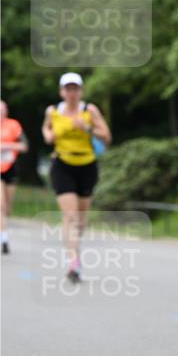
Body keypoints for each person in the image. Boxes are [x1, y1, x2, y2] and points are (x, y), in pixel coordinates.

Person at [41, 73, 111, 282]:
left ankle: (74, 248)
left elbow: (107, 136)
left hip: (87, 165)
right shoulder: (53, 111)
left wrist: (87, 128)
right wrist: (48, 136)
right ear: (62, 91)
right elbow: (46, 128)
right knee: (69, 216)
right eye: (68, 89)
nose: (71, 93)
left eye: (75, 88)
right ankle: (73, 260)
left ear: (80, 91)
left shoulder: (89, 110)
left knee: (80, 219)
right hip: (62, 165)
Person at [0, 100, 29, 255]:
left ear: (6, 111)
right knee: (1, 205)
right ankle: (4, 239)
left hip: (10, 168)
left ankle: (3, 229)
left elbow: (24, 145)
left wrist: (7, 146)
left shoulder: (14, 125)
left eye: (2, 110)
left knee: (7, 207)